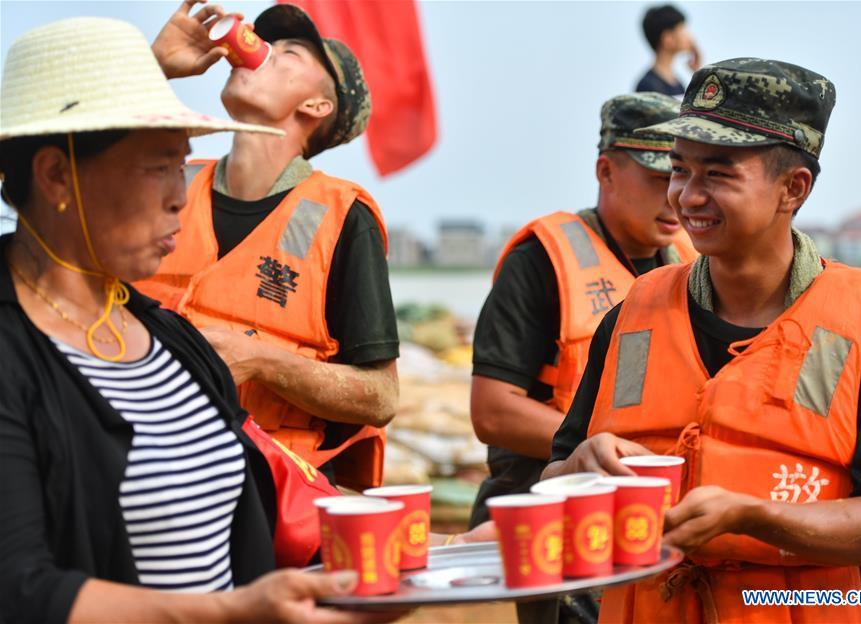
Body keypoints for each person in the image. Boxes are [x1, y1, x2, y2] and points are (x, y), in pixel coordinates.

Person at [0, 15, 492, 624]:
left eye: (177, 160)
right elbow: (22, 585)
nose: (176, 198)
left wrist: (429, 551)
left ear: (318, 105)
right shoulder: (30, 354)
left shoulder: (172, 342)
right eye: (160, 166)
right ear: (54, 176)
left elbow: (270, 477)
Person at [544, 58, 861, 623]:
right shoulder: (632, 314)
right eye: (679, 170)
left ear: (794, 188)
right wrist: (578, 468)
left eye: (718, 174)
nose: (687, 196)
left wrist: (754, 517)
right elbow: (554, 479)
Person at [136, 0, 398, 492]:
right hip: (145, 471)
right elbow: (55, 187)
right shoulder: (168, 183)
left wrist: (260, 360)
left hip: (265, 493)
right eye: (266, 43)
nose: (260, 50)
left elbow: (381, 397)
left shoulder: (341, 216)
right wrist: (151, 68)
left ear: (317, 106)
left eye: (290, 52)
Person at [468, 93, 696, 624]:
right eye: (657, 177)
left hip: (647, 516)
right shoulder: (542, 259)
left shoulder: (687, 265)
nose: (675, 198)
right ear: (606, 171)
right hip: (554, 517)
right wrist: (591, 453)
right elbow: (493, 412)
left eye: (681, 176)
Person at [635, 4, 702, 98]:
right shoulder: (647, 85)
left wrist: (697, 72)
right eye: (683, 30)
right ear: (668, 39)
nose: (689, 36)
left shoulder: (678, 84)